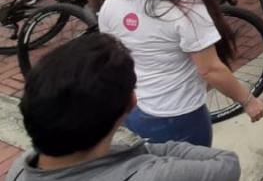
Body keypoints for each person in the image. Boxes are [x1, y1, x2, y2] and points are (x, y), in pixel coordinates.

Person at [99, 0, 263, 147]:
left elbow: (110, 49)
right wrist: (248, 100)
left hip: (134, 109)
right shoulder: (186, 6)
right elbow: (210, 69)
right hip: (179, 116)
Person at [8, 32, 241, 181]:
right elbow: (226, 164)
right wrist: (141, 151)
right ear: (131, 102)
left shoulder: (21, 167)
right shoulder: (148, 173)